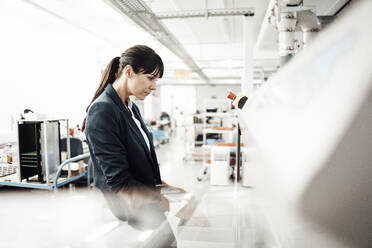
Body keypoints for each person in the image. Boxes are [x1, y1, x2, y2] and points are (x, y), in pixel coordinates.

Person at [82, 45, 183, 246]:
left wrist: (166, 188)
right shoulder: (103, 110)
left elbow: (139, 162)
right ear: (129, 72)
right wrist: (166, 202)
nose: (154, 86)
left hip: (146, 205)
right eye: (150, 78)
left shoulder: (131, 108)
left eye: (156, 80)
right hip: (129, 213)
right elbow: (118, 181)